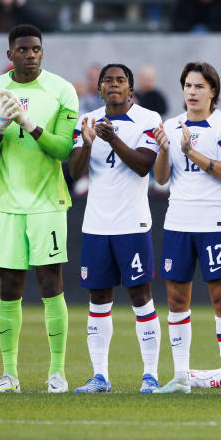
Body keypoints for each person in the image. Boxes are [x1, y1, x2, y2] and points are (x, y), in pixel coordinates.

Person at [0, 24, 79, 393]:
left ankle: (57, 373)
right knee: (9, 285)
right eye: (23, 49)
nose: (31, 55)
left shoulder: (61, 89)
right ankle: (10, 375)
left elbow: (64, 149)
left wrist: (29, 123)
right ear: (10, 54)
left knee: (51, 283)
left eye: (36, 49)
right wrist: (0, 126)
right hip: (5, 202)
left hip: (48, 202)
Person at [66, 63, 162, 393]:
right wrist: (90, 143)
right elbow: (74, 173)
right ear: (101, 88)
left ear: (130, 88)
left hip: (132, 223)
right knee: (98, 299)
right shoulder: (87, 120)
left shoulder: (148, 119)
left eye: (121, 80)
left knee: (141, 297)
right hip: (96, 224)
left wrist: (114, 139)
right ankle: (100, 376)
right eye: (108, 80)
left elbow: (143, 167)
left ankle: (150, 374)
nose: (114, 85)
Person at [151, 62, 221, 395]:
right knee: (176, 300)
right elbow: (161, 178)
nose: (192, 92)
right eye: (188, 86)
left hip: (212, 223)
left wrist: (193, 151)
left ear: (212, 91)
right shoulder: (170, 126)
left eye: (199, 87)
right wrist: (165, 149)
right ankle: (179, 376)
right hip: (178, 222)